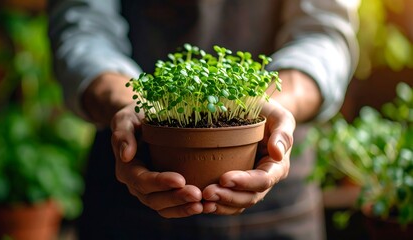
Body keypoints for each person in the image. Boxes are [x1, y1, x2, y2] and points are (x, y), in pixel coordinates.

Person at [48, 0, 359, 239]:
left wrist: (269, 105)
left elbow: (323, 32)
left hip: (280, 203)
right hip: (126, 189)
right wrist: (131, 105)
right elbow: (83, 28)